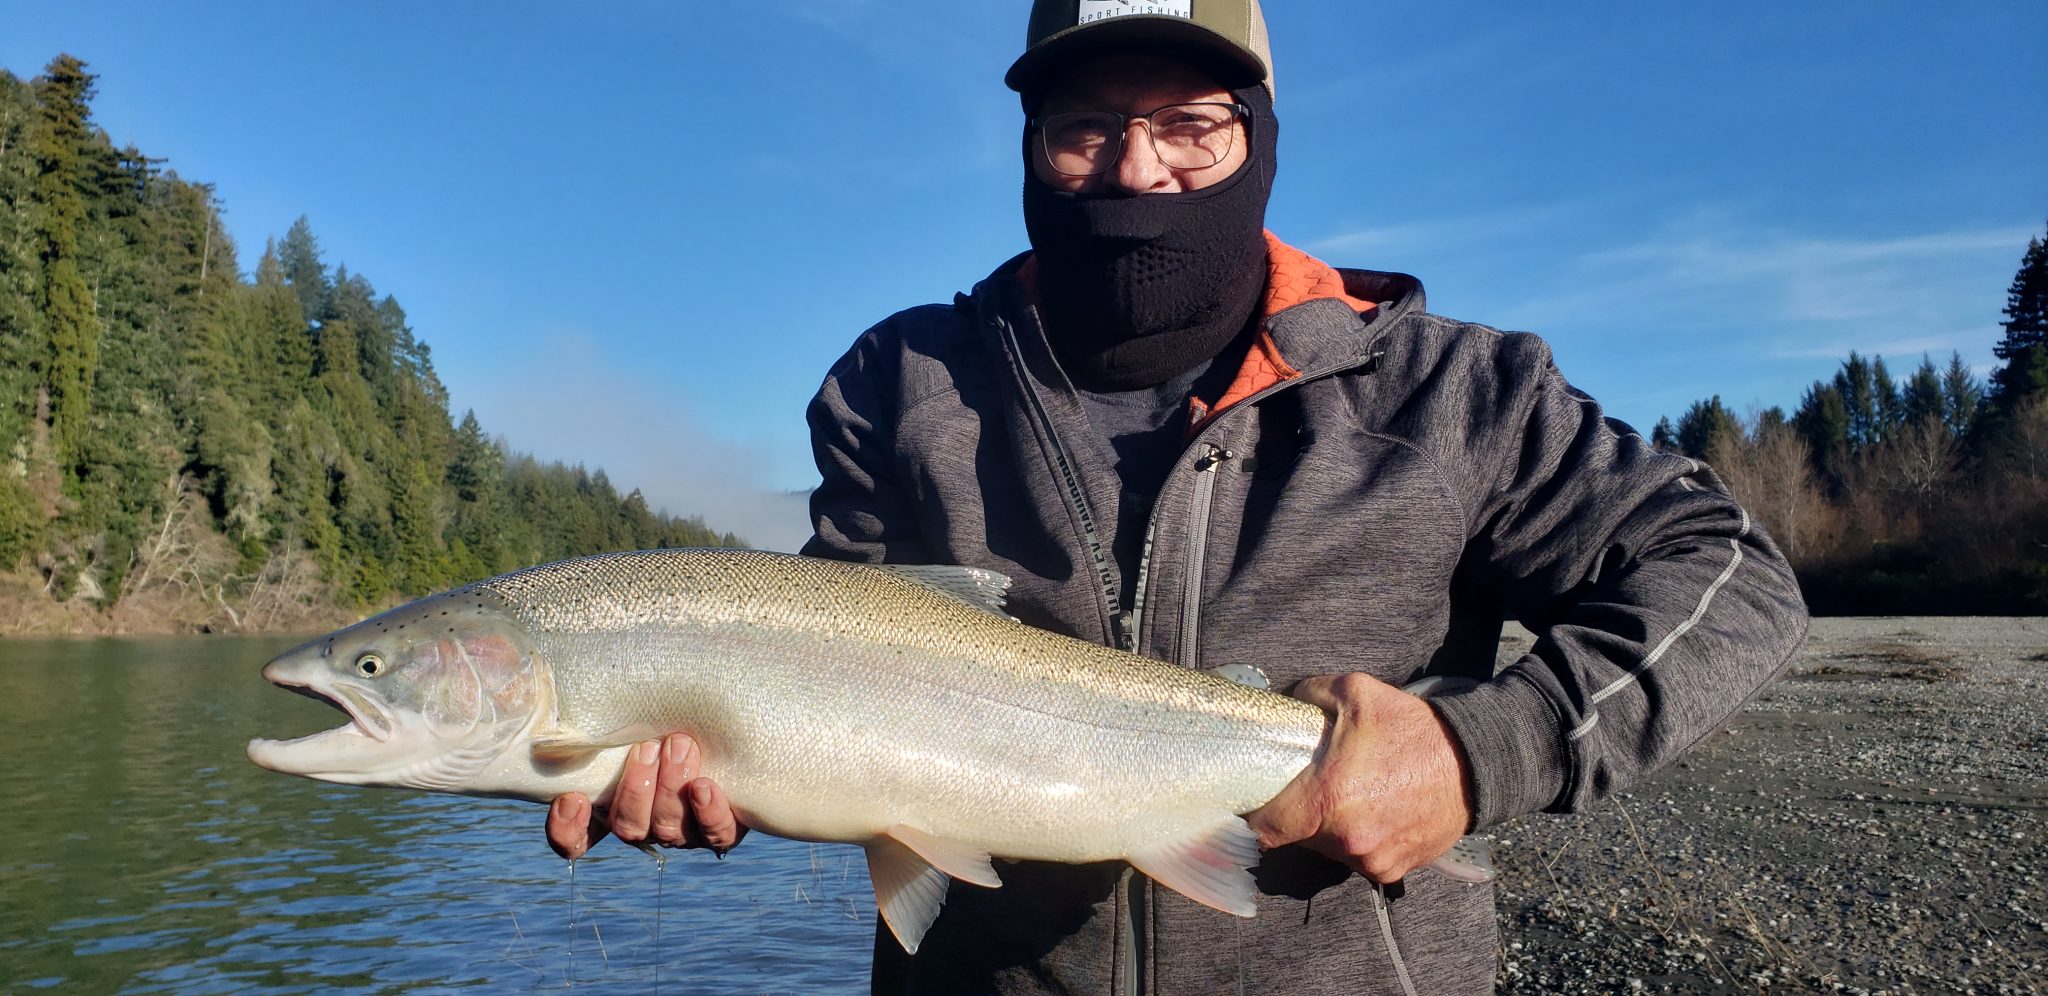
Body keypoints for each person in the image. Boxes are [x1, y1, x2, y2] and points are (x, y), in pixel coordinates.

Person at [547, 3, 1809, 992]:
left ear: (1256, 140)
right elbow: (820, 660)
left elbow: (1727, 569)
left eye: (1190, 126)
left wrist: (1478, 753)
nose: (1135, 170)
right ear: (1031, 150)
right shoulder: (900, 381)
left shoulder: (1455, 392)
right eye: (1084, 128)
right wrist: (707, 763)